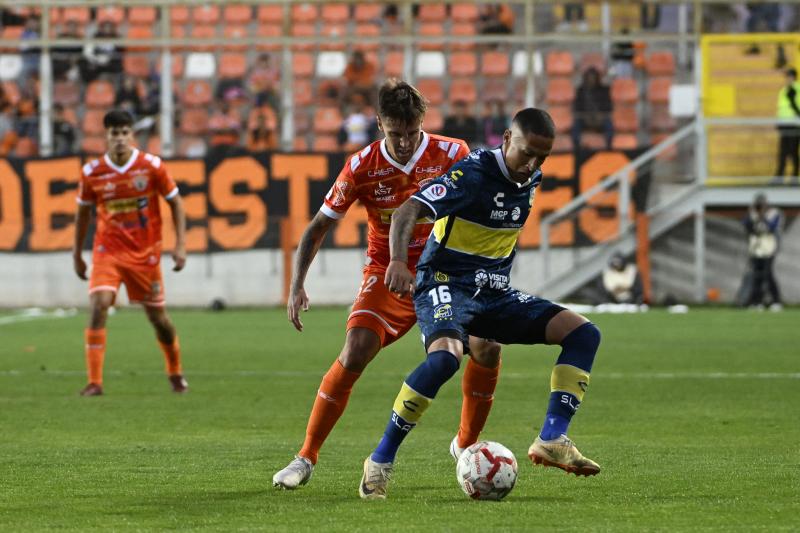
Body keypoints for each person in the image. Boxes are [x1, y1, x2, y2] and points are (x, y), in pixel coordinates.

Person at [359, 108, 601, 500]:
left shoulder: (531, 174)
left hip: (493, 293)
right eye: (526, 153)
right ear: (506, 139)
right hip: (444, 282)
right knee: (444, 360)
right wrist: (400, 262)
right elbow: (409, 209)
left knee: (583, 333)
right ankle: (380, 460)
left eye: (543, 157)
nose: (533, 165)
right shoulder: (472, 174)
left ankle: (552, 437)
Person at [273, 79, 503, 490]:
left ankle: (466, 445)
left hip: (446, 270)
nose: (403, 141)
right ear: (379, 124)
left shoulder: (453, 153)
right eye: (395, 133)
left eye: (411, 132)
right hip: (386, 272)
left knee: (487, 346)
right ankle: (305, 456)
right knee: (356, 348)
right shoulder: (361, 165)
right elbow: (317, 227)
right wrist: (297, 286)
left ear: (421, 122)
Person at [72, 109, 188, 396]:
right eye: (115, 133)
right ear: (106, 137)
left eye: (125, 132)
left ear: (132, 135)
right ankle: (94, 382)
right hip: (107, 252)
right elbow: (83, 214)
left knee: (158, 319)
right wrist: (77, 253)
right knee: (99, 304)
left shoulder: (151, 166)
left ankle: (175, 372)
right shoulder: (92, 173)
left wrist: (180, 245)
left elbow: (176, 203)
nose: (120, 138)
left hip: (144, 254)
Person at [744, 193, 783, 310]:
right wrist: (754, 215)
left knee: (768, 274)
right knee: (756, 276)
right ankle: (757, 302)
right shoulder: (752, 214)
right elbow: (747, 226)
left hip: (769, 248)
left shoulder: (774, 213)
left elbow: (772, 228)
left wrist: (763, 216)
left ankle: (776, 301)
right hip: (756, 249)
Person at [572, 67, 614, 151]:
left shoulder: (604, 90)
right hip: (584, 119)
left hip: (600, 119)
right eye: (589, 78)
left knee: (609, 125)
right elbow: (576, 107)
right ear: (585, 78)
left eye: (593, 78)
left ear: (597, 78)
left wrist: (601, 115)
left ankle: (609, 147)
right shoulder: (580, 90)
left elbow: (609, 107)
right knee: (575, 126)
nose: (591, 80)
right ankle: (577, 148)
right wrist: (585, 116)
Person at [774, 68, 800, 184]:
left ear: (794, 77)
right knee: (783, 151)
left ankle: (794, 177)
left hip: (794, 124)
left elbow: (796, 108)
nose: (787, 79)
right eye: (786, 76)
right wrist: (779, 122)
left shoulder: (797, 89)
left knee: (792, 151)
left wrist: (793, 102)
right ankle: (779, 177)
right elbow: (782, 108)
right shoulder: (784, 90)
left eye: (789, 76)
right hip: (785, 124)